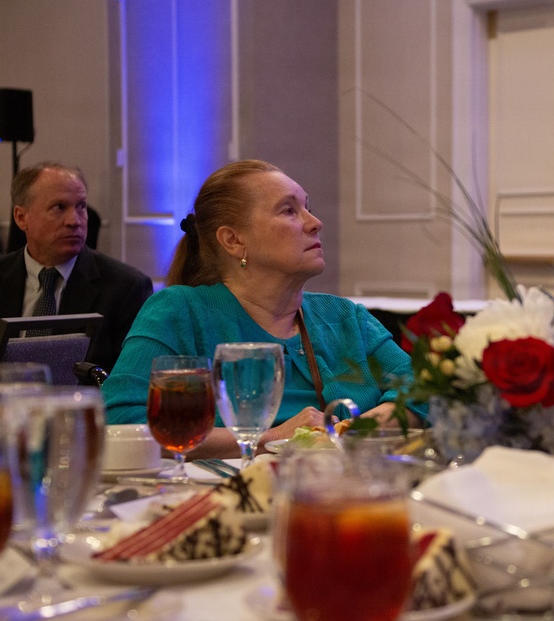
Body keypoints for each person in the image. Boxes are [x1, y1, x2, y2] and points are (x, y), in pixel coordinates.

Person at [101, 159, 418, 458]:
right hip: (221, 503)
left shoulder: (345, 318)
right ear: (234, 240)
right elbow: (121, 422)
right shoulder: (179, 312)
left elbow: (425, 393)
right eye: (289, 211)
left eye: (308, 208)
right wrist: (270, 439)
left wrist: (357, 429)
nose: (315, 223)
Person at [0, 161, 153, 371]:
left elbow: (128, 382)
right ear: (21, 217)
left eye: (81, 206)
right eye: (59, 208)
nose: (75, 221)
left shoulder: (126, 288)